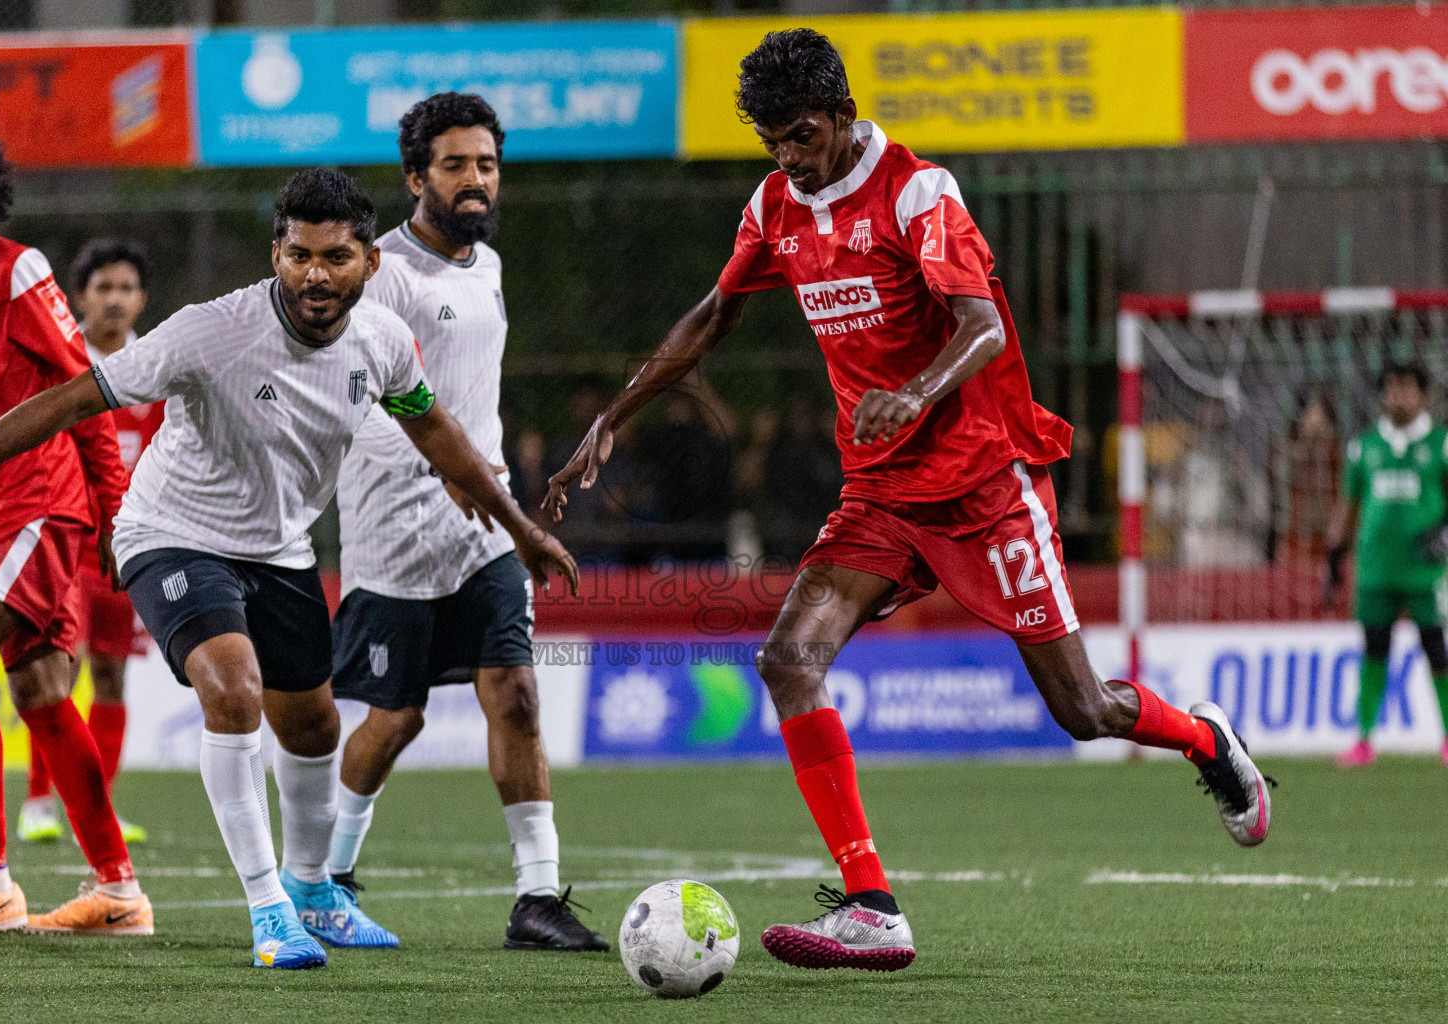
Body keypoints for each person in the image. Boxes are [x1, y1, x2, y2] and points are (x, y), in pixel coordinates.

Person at [545, 29, 1273, 973]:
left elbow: (977, 324)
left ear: (843, 114)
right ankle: (872, 904)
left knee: (1084, 709)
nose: (788, 158)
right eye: (772, 141)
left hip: (982, 486)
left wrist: (916, 392)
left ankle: (1203, 737)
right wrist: (615, 415)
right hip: (884, 493)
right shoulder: (776, 204)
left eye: (801, 135)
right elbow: (714, 315)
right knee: (788, 659)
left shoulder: (918, 194)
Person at [0, 167, 579, 969]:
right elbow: (74, 399)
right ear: (276, 255)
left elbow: (437, 434)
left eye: (335, 258)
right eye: (298, 255)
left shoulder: (383, 347)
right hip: (169, 532)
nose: (315, 275)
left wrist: (521, 530)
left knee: (314, 723)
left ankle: (311, 890)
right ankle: (269, 909)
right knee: (231, 688)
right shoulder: (210, 330)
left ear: (370, 264)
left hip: (279, 549)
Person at [325, 93, 606, 952]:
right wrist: (439, 467)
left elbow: (468, 391)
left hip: (483, 521)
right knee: (395, 719)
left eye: (486, 163)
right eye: (455, 164)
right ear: (416, 177)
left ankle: (537, 897)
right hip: (394, 527)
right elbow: (358, 397)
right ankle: (325, 875)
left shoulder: (485, 264)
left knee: (516, 695)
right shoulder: (383, 273)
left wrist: (492, 480)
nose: (476, 179)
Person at [0, 109, 151, 937]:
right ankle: (119, 894)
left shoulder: (15, 272)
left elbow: (87, 390)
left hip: (40, 502)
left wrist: (116, 515)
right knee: (46, 694)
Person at [19, 238, 161, 846]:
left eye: (126, 288)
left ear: (142, 299)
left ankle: (96, 812)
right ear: (80, 297)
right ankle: (39, 804)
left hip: (125, 549)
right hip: (64, 540)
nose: (114, 299)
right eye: (103, 287)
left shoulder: (156, 367)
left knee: (111, 677)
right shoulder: (60, 357)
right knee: (55, 667)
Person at [1326, 362, 1448, 767]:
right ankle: (1363, 740)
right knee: (1374, 651)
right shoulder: (1364, 446)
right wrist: (1333, 560)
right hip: (1375, 572)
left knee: (1438, 653)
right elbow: (1348, 506)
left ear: (1423, 394)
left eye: (1408, 388)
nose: (1399, 395)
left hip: (1425, 573)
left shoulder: (1441, 443)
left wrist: (1441, 531)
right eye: (1392, 388)